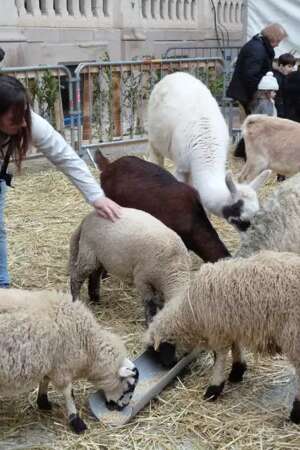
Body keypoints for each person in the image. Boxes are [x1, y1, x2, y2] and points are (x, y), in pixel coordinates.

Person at [0, 75, 122, 288]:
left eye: (24, 114)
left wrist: (96, 196)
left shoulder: (30, 123)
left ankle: (2, 287)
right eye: (14, 118)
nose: (22, 123)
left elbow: (65, 155)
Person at [226, 23, 288, 157]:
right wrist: (265, 91)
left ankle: (242, 152)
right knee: (255, 124)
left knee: (253, 124)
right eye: (278, 41)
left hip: (249, 93)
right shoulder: (257, 49)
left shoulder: (258, 45)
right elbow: (251, 75)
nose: (278, 45)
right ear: (273, 39)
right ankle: (244, 153)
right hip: (249, 94)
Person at [273, 53, 296, 118]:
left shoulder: (285, 77)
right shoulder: (276, 78)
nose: (291, 69)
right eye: (289, 66)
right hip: (279, 111)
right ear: (281, 66)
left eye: (292, 67)